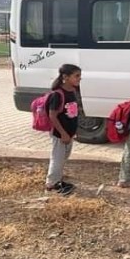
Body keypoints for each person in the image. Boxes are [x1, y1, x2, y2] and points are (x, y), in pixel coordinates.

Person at [45, 64, 82, 196]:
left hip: (69, 133)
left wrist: (73, 131)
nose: (79, 79)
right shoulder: (57, 95)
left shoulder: (73, 91)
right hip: (60, 134)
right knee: (57, 158)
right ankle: (51, 184)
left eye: (80, 76)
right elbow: (53, 116)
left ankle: (58, 180)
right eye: (76, 76)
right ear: (65, 77)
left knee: (64, 157)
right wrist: (63, 133)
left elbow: (72, 112)